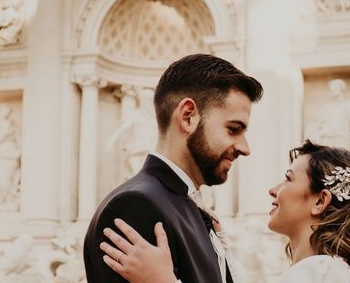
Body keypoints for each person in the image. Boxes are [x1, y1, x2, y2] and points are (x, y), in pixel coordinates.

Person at [100, 141, 350, 283]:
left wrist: (161, 280)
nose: (273, 189)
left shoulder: (322, 272)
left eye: (288, 178)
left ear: (320, 202)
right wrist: (220, 245)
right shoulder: (323, 271)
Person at [83, 53, 264, 283]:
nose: (244, 148)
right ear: (188, 117)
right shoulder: (134, 206)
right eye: (233, 129)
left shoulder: (194, 210)